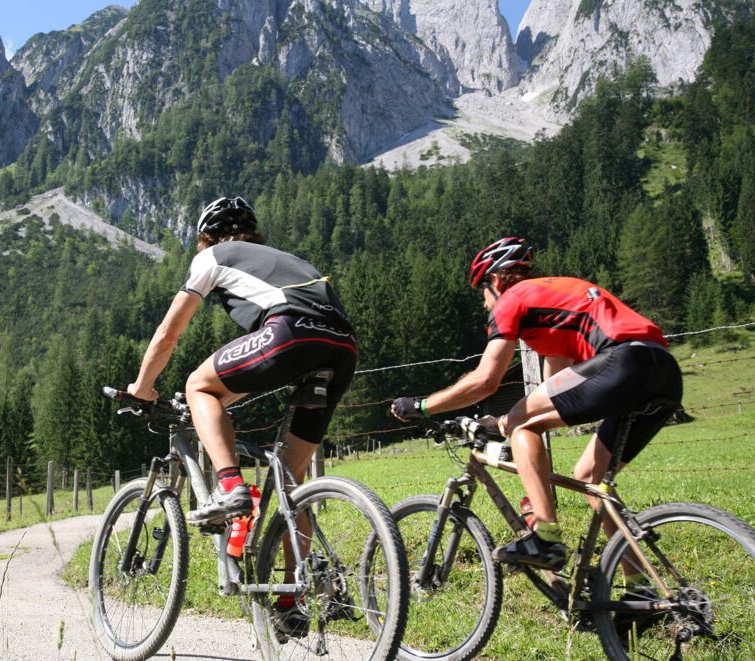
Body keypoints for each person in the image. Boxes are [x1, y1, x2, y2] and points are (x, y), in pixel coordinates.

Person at [391, 237, 682, 576]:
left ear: (496, 281)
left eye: (482, 293)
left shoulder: (512, 299)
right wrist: (499, 423)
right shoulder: (557, 300)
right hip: (663, 370)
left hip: (621, 361)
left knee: (522, 425)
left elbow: (486, 381)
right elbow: (550, 390)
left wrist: (423, 406)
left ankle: (546, 536)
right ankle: (640, 589)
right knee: (590, 477)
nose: (485, 305)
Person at [127, 195, 356, 522]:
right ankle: (300, 575)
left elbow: (168, 334)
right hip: (343, 346)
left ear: (205, 238)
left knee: (198, 386)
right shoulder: (285, 258)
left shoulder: (211, 257)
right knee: (293, 486)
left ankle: (230, 485)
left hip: (290, 332)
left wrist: (143, 386)